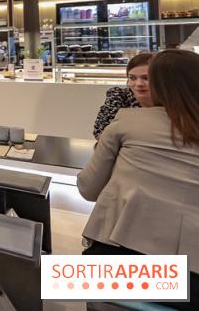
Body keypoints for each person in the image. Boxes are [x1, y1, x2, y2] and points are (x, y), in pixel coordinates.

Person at [78, 49, 199, 309]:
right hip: (194, 278)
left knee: (56, 279)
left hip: (128, 264)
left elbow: (87, 189)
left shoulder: (127, 123)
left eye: (147, 79)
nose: (138, 85)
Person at [92, 52, 154, 140]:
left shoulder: (171, 100)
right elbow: (100, 133)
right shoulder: (118, 95)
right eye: (132, 78)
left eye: (146, 78)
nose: (139, 84)